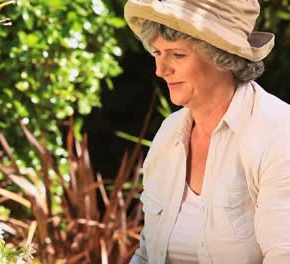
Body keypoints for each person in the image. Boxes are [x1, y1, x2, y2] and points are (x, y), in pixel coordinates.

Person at [124, 0, 290, 263]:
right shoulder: (170, 134)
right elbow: (146, 254)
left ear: (222, 57)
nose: (161, 70)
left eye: (178, 55)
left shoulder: (278, 133)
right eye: (157, 53)